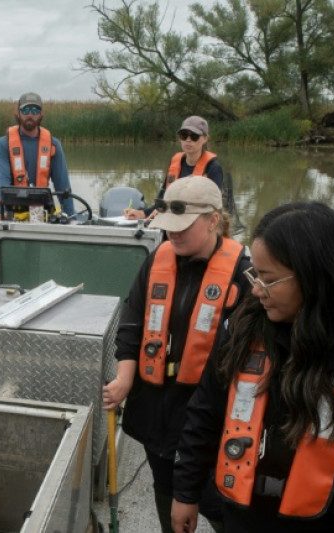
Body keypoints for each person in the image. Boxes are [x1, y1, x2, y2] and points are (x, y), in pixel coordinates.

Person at [171, 202, 334, 533]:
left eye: (269, 279)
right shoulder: (244, 330)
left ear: (316, 277)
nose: (257, 290)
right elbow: (206, 412)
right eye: (255, 276)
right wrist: (186, 492)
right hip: (242, 520)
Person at [101, 176, 251, 533]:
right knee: (167, 491)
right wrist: (125, 377)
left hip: (211, 417)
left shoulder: (243, 276)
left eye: (183, 227)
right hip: (157, 411)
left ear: (214, 220)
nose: (173, 235)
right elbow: (132, 323)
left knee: (217, 505)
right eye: (168, 226)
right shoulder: (158, 260)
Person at [0, 91, 75, 219]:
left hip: (43, 212)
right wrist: (2, 212)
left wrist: (71, 217)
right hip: (13, 213)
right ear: (18, 113)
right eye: (25, 110)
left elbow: (63, 186)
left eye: (35, 110)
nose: (30, 114)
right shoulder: (3, 144)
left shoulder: (53, 145)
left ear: (41, 114)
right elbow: (3, 182)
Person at [125, 115, 223, 220]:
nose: (188, 140)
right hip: (172, 219)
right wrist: (142, 213)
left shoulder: (213, 169)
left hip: (198, 224)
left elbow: (213, 208)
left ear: (205, 139)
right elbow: (162, 200)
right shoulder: (175, 163)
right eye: (184, 135)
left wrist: (167, 211)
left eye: (194, 136)